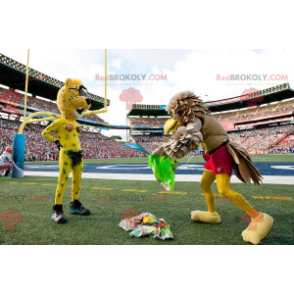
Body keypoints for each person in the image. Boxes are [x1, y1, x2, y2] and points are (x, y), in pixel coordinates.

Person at [154, 91, 274, 245]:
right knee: (204, 184)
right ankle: (212, 214)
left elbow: (191, 135)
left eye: (173, 113)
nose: (173, 117)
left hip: (221, 153)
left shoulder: (198, 120)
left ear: (183, 110)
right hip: (212, 155)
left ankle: (257, 217)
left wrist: (172, 146)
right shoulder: (195, 120)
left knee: (223, 190)